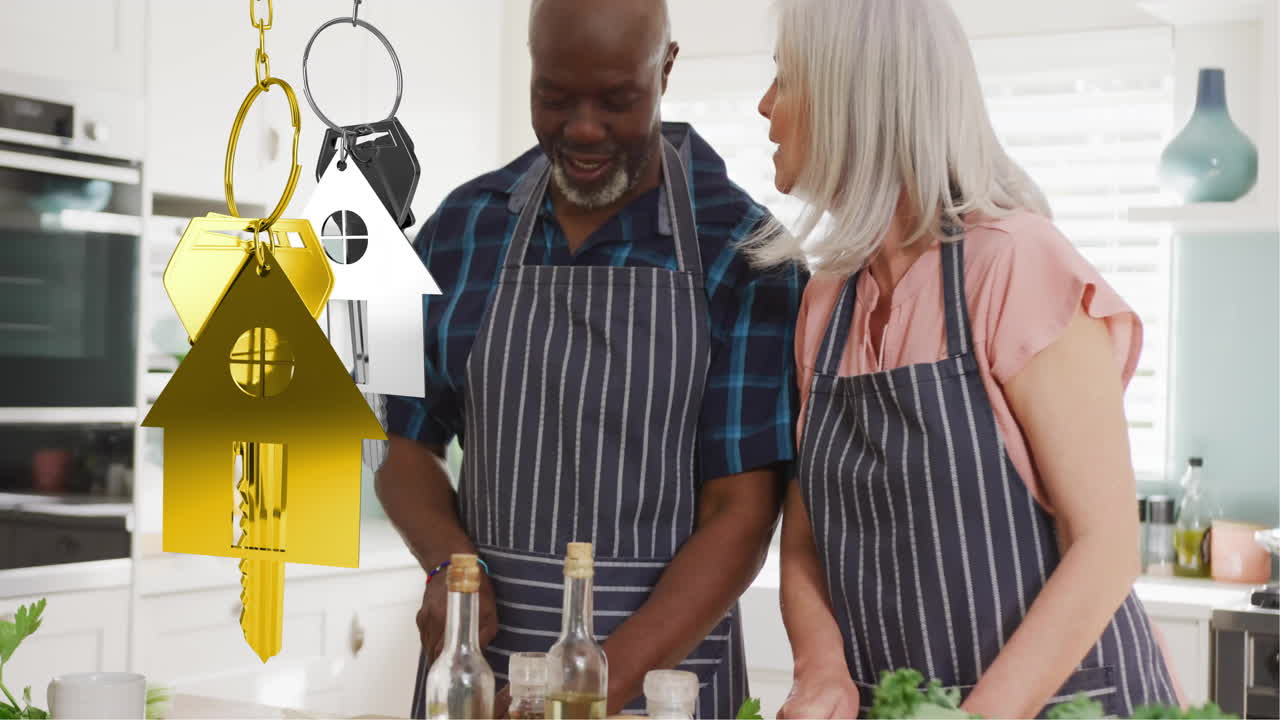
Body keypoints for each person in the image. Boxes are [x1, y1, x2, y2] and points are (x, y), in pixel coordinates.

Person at [749, 1, 1181, 717]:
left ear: (854, 95)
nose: (766, 106)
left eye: (786, 79)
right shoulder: (827, 302)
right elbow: (804, 542)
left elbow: (1106, 547)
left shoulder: (1015, 264)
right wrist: (821, 669)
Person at [376, 0, 805, 716]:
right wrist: (451, 565)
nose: (581, 128)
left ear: (665, 70)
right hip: (482, 678)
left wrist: (586, 690)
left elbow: (742, 512)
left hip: (664, 688)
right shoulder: (462, 227)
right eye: (554, 96)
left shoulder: (749, 254)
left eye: (615, 100)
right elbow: (395, 436)